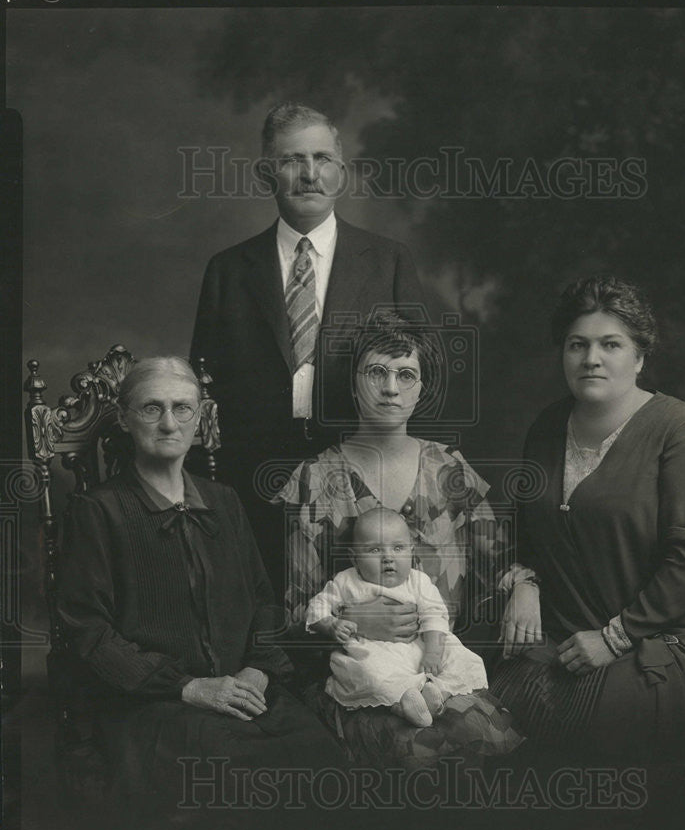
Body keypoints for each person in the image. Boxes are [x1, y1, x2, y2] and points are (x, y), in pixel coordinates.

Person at [57, 356, 344, 801]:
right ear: (125, 419)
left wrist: (257, 670)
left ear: (200, 419)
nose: (169, 423)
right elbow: (89, 631)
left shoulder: (224, 502)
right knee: (230, 778)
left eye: (182, 408)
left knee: (320, 759)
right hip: (153, 702)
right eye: (152, 408)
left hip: (244, 689)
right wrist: (188, 687)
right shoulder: (98, 512)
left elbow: (264, 602)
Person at [493, 276, 685, 755]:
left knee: (591, 739)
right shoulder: (546, 428)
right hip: (569, 634)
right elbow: (525, 531)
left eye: (611, 344)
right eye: (577, 345)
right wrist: (525, 581)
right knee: (487, 713)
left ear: (640, 357)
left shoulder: (683, 432)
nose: (591, 358)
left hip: (671, 643)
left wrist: (614, 638)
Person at [190, 102, 426, 597]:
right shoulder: (229, 270)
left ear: (341, 171)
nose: (309, 173)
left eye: (322, 158)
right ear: (266, 173)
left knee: (359, 612)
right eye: (292, 160)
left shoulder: (387, 262)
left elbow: (415, 374)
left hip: (360, 474)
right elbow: (203, 387)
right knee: (268, 613)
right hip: (252, 476)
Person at [274, 318, 525, 765]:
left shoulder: (449, 471)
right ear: (354, 385)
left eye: (405, 374)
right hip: (357, 676)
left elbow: (503, 562)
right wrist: (353, 619)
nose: (390, 388)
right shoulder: (315, 480)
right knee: (420, 748)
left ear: (420, 389)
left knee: (484, 737)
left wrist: (527, 586)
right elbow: (293, 610)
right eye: (376, 372)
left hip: (435, 666)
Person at [307, 508, 489, 728]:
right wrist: (331, 624)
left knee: (462, 660)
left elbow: (435, 616)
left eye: (398, 548)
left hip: (421, 649)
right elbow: (317, 607)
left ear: (411, 552)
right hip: (373, 654)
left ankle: (438, 694)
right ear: (354, 558)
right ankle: (404, 706)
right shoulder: (346, 582)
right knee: (369, 676)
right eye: (375, 549)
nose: (388, 558)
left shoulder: (418, 581)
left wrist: (432, 653)